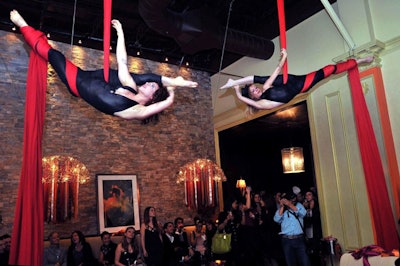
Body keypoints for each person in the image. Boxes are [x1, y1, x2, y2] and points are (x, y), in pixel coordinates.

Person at [10, 10, 198, 124]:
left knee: (54, 55)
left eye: (152, 87)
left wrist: (173, 91)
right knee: (133, 75)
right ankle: (27, 27)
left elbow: (166, 104)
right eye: (151, 84)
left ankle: (23, 26)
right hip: (91, 77)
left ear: (151, 99)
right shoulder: (131, 86)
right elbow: (122, 61)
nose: (148, 85)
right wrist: (121, 33)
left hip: (77, 84)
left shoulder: (138, 111)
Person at [219, 48, 373, 114]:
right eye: (253, 92)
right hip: (301, 86)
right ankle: (360, 61)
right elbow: (244, 99)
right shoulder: (262, 104)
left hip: (294, 78)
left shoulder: (265, 87)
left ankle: (357, 61)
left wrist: (284, 57)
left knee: (330, 68)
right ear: (252, 98)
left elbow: (276, 70)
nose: (256, 90)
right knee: (330, 70)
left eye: (254, 88)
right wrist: (238, 92)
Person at [273, 192, 310, 266]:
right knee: (290, 263)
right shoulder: (282, 209)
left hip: (299, 239)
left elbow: (303, 213)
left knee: (305, 262)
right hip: (287, 240)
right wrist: (282, 207)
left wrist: (290, 205)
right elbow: (276, 219)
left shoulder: (298, 205)